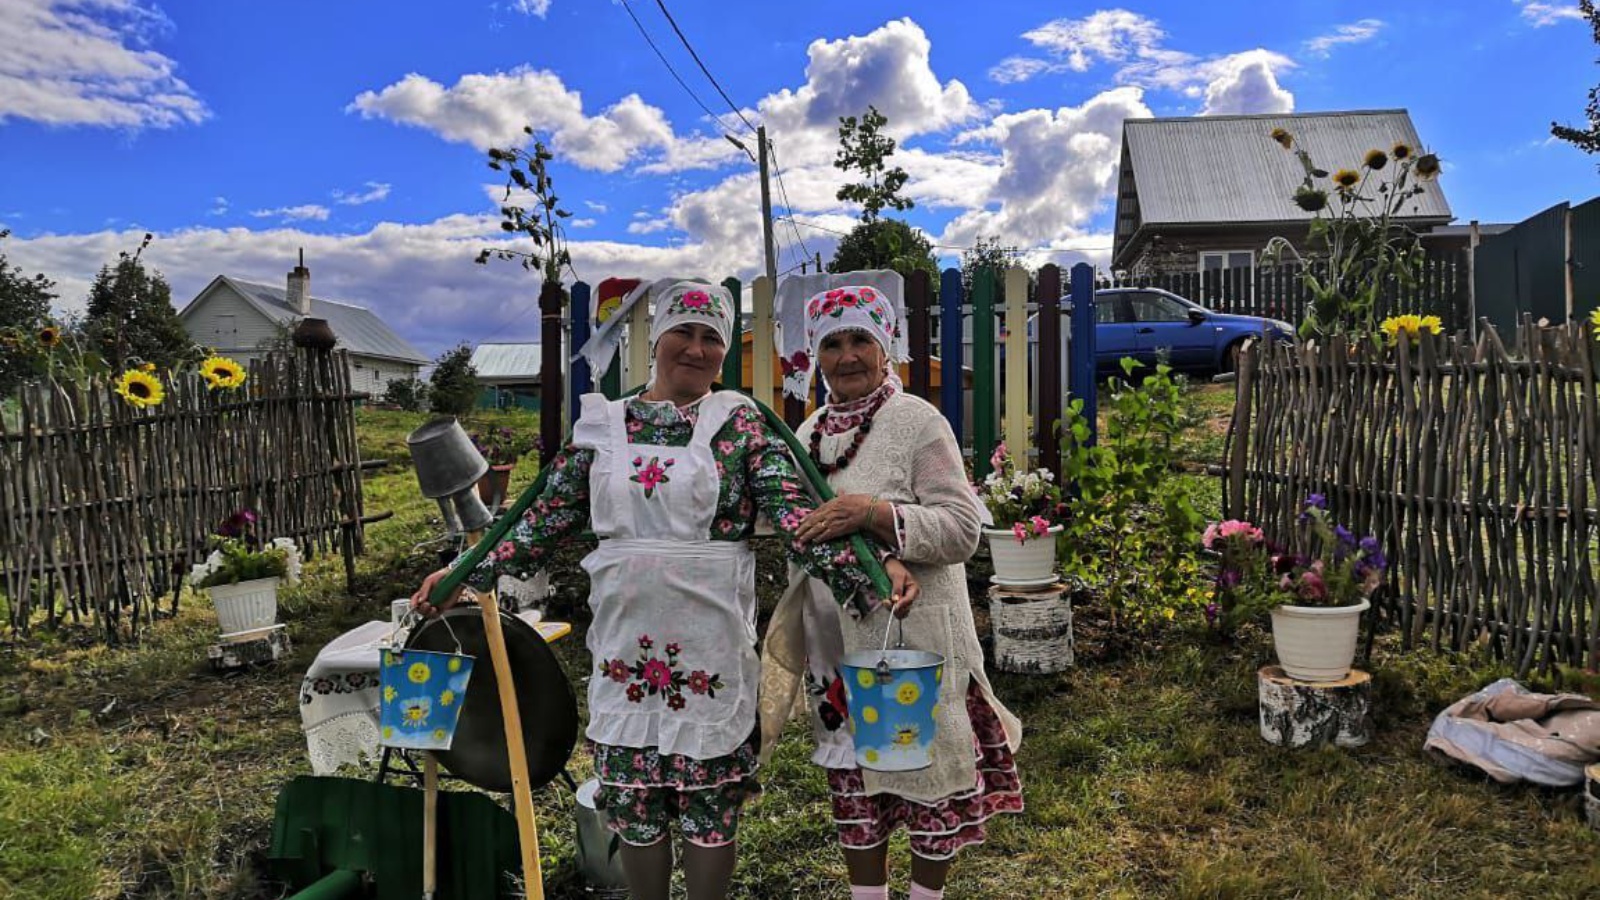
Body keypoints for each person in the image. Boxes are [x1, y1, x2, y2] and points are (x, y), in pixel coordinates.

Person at [412, 280, 917, 900]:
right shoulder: (601, 427)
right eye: (685, 332)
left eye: (712, 338)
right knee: (636, 802)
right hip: (625, 642)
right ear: (657, 339)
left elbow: (799, 517)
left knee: (710, 806)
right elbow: (539, 518)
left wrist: (875, 573)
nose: (697, 350)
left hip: (708, 642)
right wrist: (464, 575)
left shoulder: (742, 425)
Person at [759, 284, 1023, 900]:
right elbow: (806, 529)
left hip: (915, 637)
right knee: (855, 783)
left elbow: (962, 529)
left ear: (887, 349)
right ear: (814, 355)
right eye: (831, 343)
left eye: (860, 340)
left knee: (923, 779)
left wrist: (874, 512)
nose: (846, 356)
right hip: (835, 642)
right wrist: (869, 547)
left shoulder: (917, 422)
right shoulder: (813, 429)